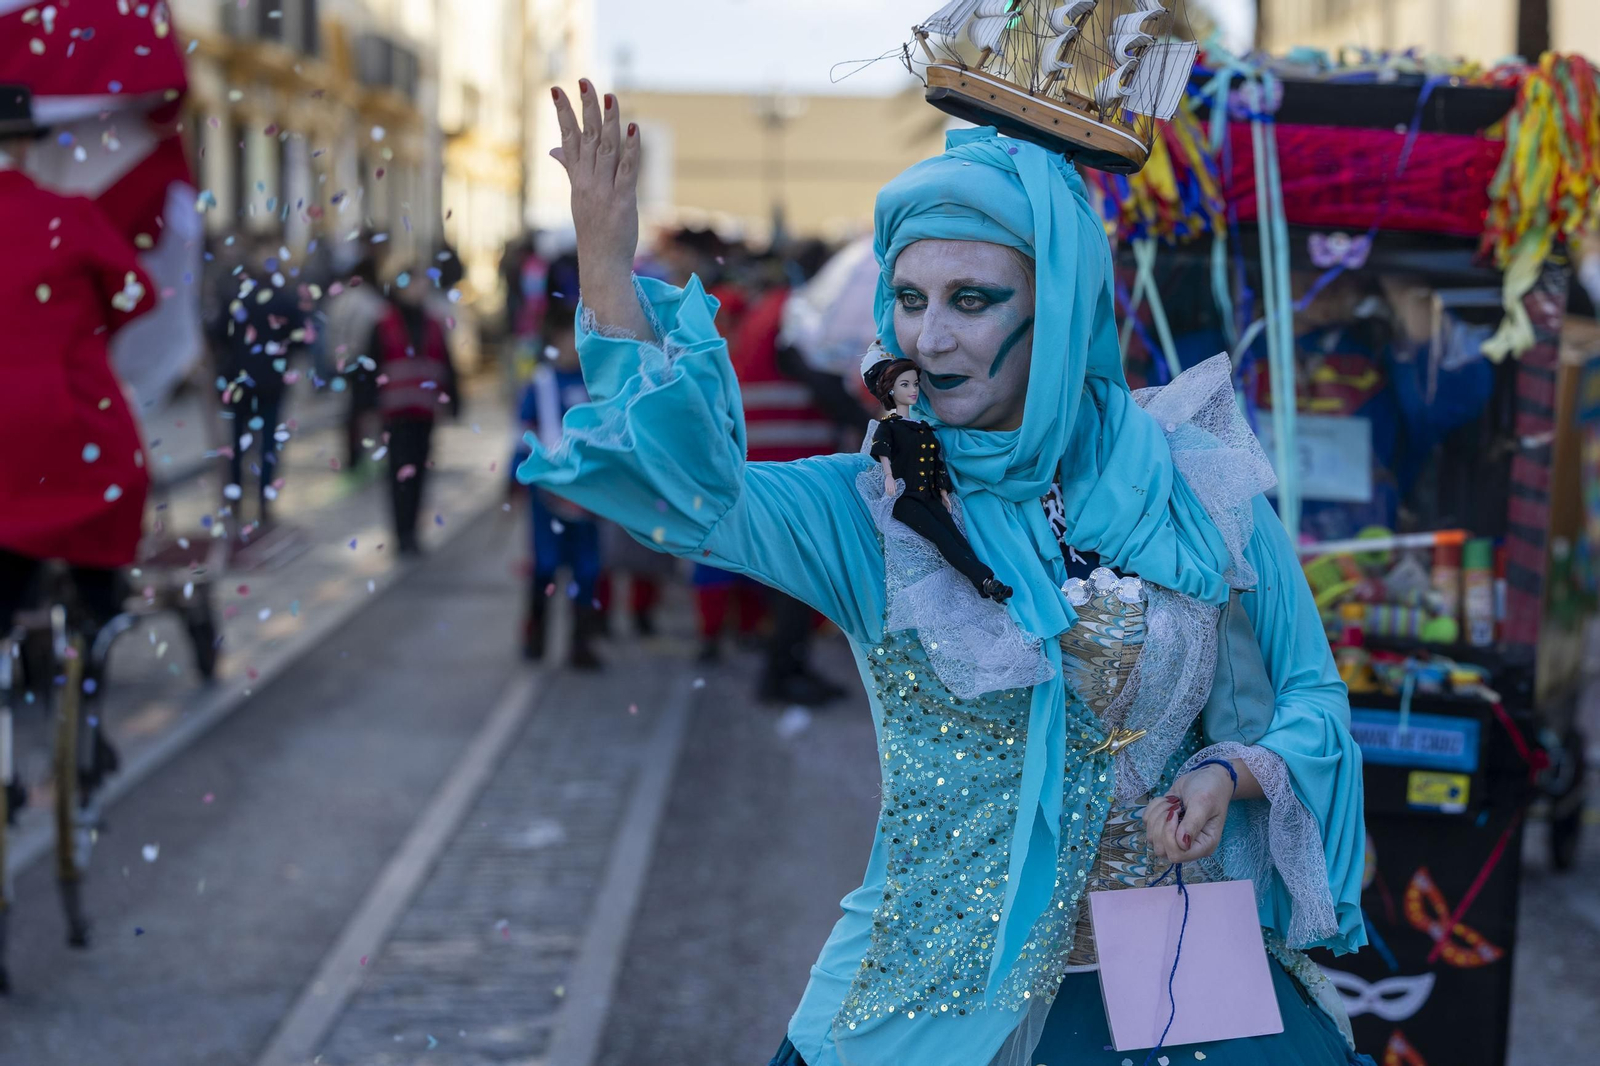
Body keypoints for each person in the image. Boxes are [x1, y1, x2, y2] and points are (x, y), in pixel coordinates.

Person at [520, 82, 1370, 1066]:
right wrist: (605, 263)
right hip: (932, 1000)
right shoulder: (874, 506)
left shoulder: (1196, 479)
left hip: (1173, 975)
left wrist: (1229, 769)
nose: (929, 337)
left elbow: (1309, 692)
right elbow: (691, 494)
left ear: (1057, 313)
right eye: (911, 300)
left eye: (972, 301)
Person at [512, 254, 605, 669]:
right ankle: (536, 635)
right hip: (547, 491)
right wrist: (514, 479)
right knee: (546, 564)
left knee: (587, 568)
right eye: (566, 337)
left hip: (587, 491)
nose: (572, 346)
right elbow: (522, 432)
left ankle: (582, 643)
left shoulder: (597, 386)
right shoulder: (542, 382)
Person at [209, 237, 309, 527]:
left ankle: (238, 500)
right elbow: (300, 338)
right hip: (270, 381)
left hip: (241, 380)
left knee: (239, 443)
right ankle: (264, 503)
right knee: (266, 445)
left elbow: (218, 335)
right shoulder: (285, 298)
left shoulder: (237, 295)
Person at [367, 265, 461, 556]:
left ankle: (413, 531)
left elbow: (446, 364)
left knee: (420, 471)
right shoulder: (383, 324)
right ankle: (401, 532)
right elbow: (369, 368)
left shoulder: (432, 323)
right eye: (413, 283)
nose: (418, 289)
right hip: (395, 415)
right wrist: (366, 408)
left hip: (424, 412)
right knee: (398, 473)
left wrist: (454, 401)